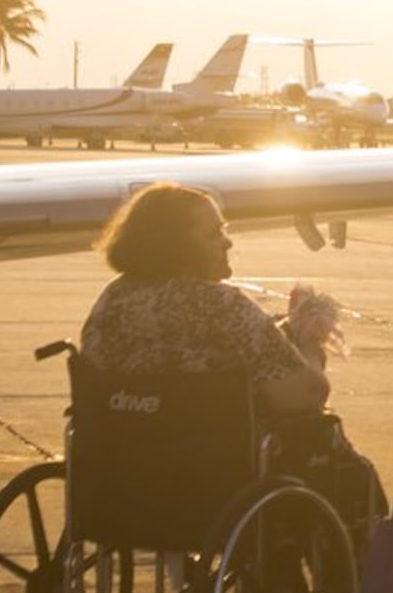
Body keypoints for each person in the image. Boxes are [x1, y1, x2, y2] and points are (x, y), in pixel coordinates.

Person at [78, 183, 333, 427]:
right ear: (178, 248)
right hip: (210, 455)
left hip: (118, 453)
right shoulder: (223, 307)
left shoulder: (113, 300)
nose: (228, 242)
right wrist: (308, 343)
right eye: (214, 234)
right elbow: (305, 397)